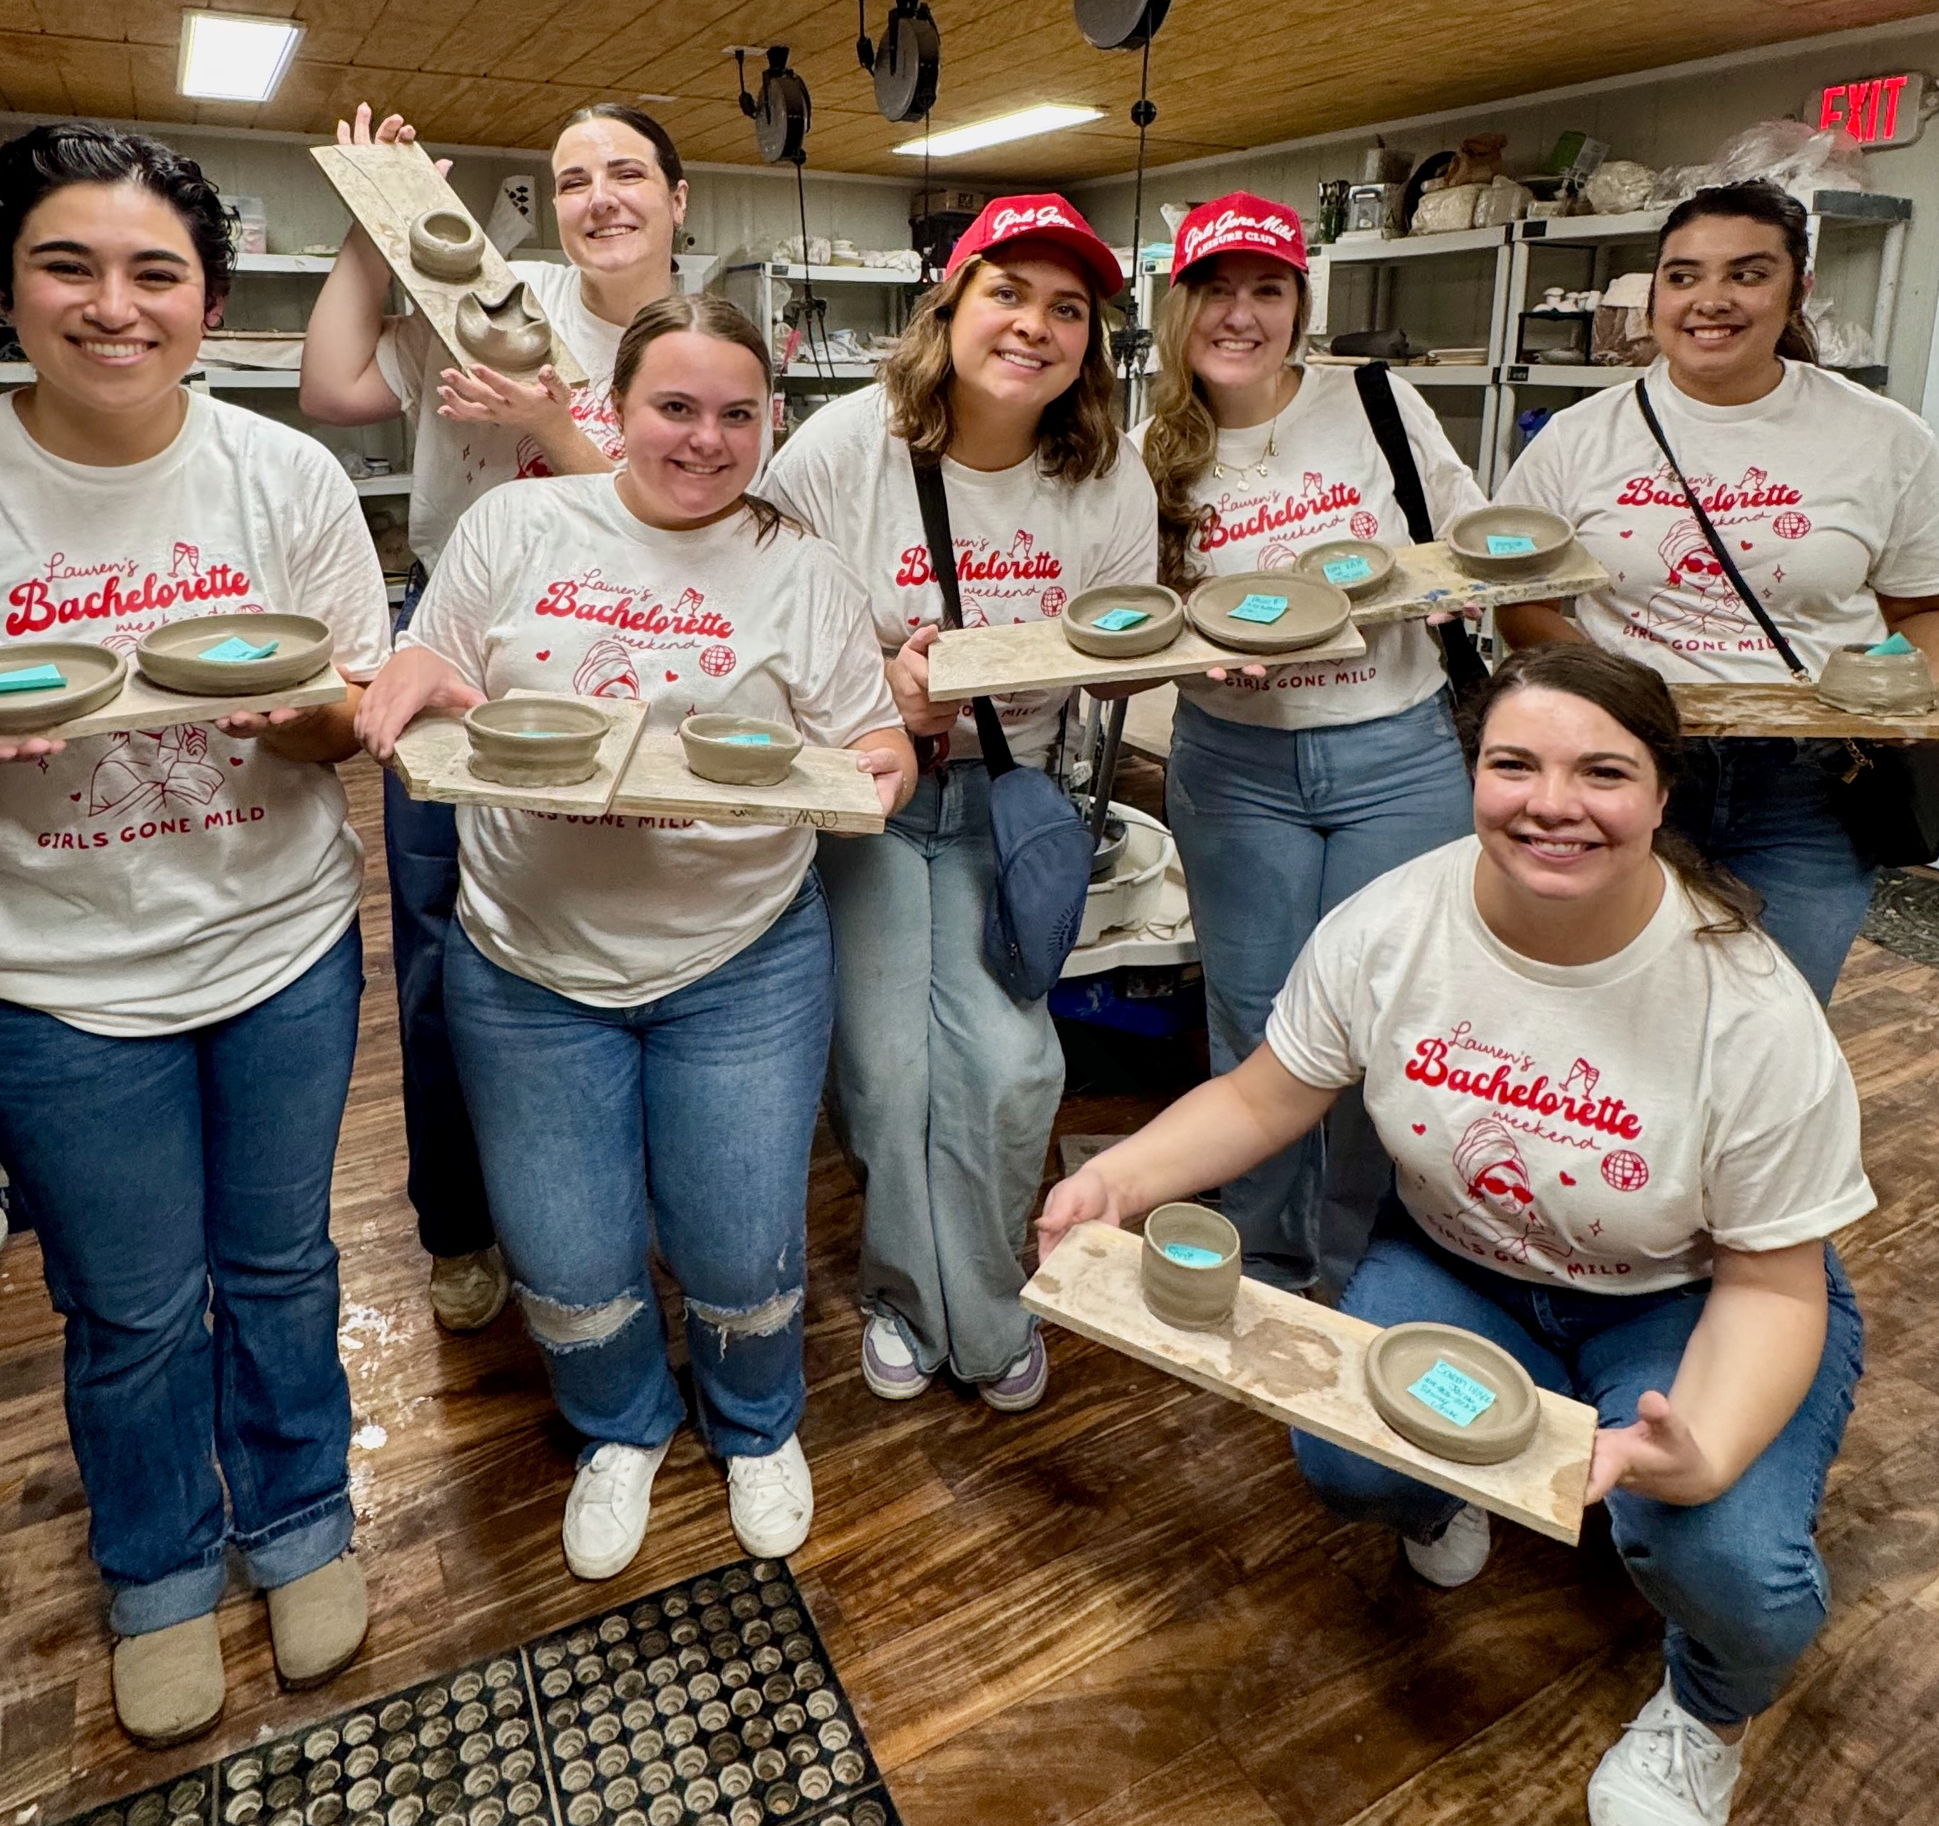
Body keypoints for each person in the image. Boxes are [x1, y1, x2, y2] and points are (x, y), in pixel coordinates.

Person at [0, 125, 389, 1747]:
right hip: (52, 981)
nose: (113, 305)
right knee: (132, 1304)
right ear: (1, 288)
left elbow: (340, 732)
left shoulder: (286, 479)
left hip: (277, 948)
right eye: (68, 265)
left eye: (154, 271)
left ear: (208, 300)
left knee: (283, 1264)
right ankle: (164, 1571)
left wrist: (309, 715)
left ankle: (303, 1521)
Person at [1039, 643, 1871, 1826]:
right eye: (1512, 763)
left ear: (1661, 793)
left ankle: (1707, 1710)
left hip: (1685, 1299)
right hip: (1458, 1263)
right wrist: (1112, 1180)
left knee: (1721, 1558)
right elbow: (1265, 1094)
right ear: (1468, 771)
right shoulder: (1395, 924)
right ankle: (1450, 1482)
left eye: (1602, 772)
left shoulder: (1745, 1003)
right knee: (1345, 1456)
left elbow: (1775, 1284)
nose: (1551, 803)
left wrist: (1709, 1447)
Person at [355, 294, 912, 1581]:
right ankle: (620, 1428)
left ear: (769, 421)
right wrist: (417, 676)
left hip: (740, 962)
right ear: (613, 410)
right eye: (675, 406)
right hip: (527, 960)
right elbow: (433, 659)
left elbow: (871, 737)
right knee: (565, 1252)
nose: (705, 440)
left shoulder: (803, 569)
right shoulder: (519, 524)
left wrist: (877, 769)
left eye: (736, 414)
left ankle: (756, 1422)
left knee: (738, 1239)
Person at [299, 101, 692, 1334]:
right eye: (573, 178)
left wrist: (540, 422)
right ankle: (461, 1223)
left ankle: (629, 1211)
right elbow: (331, 384)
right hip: (461, 631)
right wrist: (376, 218)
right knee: (438, 945)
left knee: (634, 920)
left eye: (627, 172)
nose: (600, 198)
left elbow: (681, 509)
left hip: (632, 633)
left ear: (678, 197)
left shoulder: (702, 342)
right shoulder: (491, 299)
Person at [762, 195, 1158, 1412]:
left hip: (1006, 802)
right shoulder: (846, 448)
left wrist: (1106, 656)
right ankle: (902, 1295)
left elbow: (1126, 645)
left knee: (1005, 1065)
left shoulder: (1105, 471)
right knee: (884, 1066)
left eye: (1067, 309)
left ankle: (987, 1307)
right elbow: (757, 600)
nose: (1033, 326)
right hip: (873, 796)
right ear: (951, 306)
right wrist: (876, 682)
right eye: (1007, 293)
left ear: (1091, 341)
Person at [1494, 180, 1939, 1003]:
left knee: (1773, 1029)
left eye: (1747, 274)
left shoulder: (1881, 436)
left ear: (1799, 287)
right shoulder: (1580, 439)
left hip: (1810, 788)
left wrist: (1916, 697)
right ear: (1654, 292)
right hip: (1627, 770)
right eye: (1682, 276)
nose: (1709, 301)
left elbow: (1932, 612)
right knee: (1604, 1014)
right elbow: (1523, 603)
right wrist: (1614, 697)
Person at [1139, 191, 1488, 1298]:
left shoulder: (1378, 401)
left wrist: (1432, 597)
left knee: (1384, 1010)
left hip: (1397, 749)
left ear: (1300, 302)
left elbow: (1464, 543)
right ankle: (1265, 1254)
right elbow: (1126, 608)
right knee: (1254, 1012)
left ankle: (1363, 1261)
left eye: (1267, 290)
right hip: (1237, 762)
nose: (1240, 315)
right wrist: (1189, 652)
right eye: (1216, 291)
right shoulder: (1145, 443)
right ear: (1176, 303)